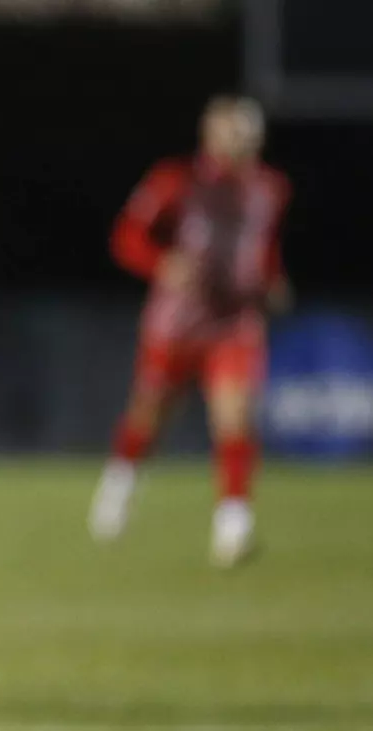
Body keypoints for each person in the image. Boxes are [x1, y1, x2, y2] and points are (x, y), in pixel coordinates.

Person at [90, 94, 290, 566]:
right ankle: (121, 483)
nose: (242, 139)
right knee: (150, 413)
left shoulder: (270, 188)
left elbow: (261, 248)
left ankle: (233, 524)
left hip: (234, 321)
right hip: (178, 321)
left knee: (235, 417)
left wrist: (273, 279)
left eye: (249, 130)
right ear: (210, 133)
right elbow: (127, 237)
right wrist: (162, 264)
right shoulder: (175, 180)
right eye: (232, 130)